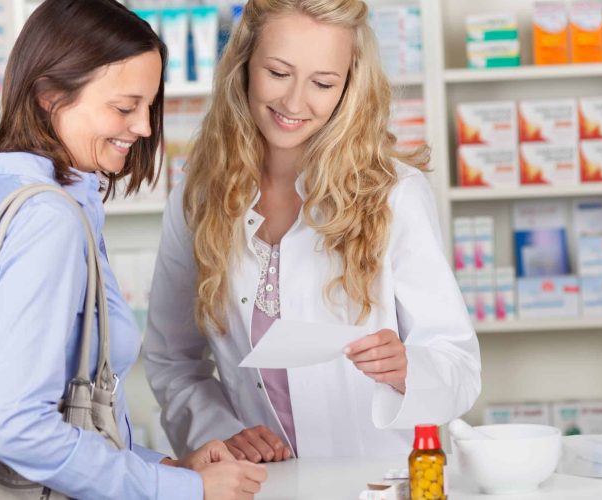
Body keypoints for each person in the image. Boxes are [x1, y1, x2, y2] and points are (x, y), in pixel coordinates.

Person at [0, 0, 265, 498]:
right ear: (50, 96)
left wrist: (170, 468)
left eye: (147, 107)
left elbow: (68, 418)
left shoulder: (13, 196)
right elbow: (23, 430)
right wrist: (179, 490)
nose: (142, 127)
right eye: (124, 107)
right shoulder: (47, 220)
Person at [143, 0, 481, 463]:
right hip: (258, 484)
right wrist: (221, 435)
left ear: (349, 87)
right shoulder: (198, 200)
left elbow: (457, 363)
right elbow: (173, 361)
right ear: (243, 64)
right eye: (278, 73)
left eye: (322, 83)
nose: (294, 102)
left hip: (376, 481)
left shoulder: (394, 194)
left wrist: (407, 368)